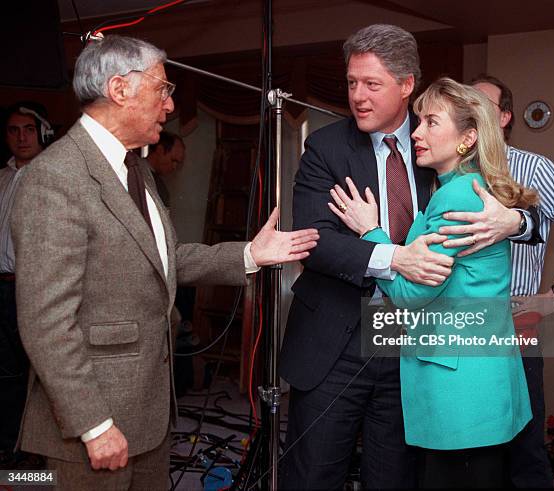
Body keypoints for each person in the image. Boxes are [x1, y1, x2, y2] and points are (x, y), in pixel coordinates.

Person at [10, 35, 318, 490]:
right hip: (90, 429)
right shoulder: (54, 179)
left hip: (148, 418)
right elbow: (46, 322)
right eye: (163, 89)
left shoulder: (136, 168)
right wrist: (94, 425)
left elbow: (163, 259)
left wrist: (250, 254)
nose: (169, 106)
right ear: (120, 90)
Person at [279, 24, 540, 489]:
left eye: (372, 84)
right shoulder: (327, 147)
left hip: (415, 352)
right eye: (351, 83)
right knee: (314, 474)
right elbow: (316, 239)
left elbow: (520, 203)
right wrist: (393, 257)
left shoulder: (437, 154)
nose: (358, 96)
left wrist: (517, 222)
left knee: (396, 478)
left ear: (405, 85)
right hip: (335, 342)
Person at [330, 77, 536, 488]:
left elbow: (411, 296)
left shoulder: (457, 197)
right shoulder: (465, 188)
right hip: (480, 379)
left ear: (467, 138)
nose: (417, 132)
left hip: (460, 388)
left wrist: (372, 234)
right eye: (419, 122)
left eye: (431, 123)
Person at [471, 74, 554, 488]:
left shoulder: (532, 168)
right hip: (454, 326)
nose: (469, 109)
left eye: (481, 103)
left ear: (506, 116)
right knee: (468, 451)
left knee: (523, 450)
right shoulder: (445, 170)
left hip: (514, 328)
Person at [0, 102, 52, 468]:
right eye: (14, 130)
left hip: (35, 290)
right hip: (1, 289)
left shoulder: (53, 175)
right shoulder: (1, 178)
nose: (21, 137)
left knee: (40, 376)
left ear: (42, 132)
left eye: (28, 129)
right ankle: (9, 450)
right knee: (5, 375)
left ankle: (37, 460)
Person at [145, 130, 184, 207]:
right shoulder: (138, 173)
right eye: (173, 160)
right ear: (160, 150)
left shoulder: (159, 184)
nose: (174, 167)